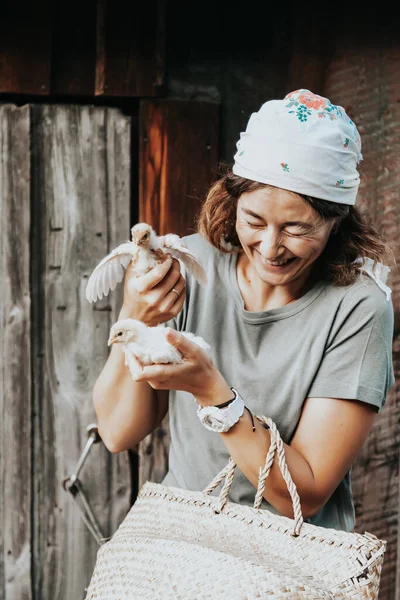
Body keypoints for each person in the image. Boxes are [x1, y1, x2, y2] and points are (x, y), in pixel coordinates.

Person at [93, 89, 395, 531]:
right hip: (180, 550)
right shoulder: (188, 269)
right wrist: (137, 317)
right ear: (231, 201)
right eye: (254, 221)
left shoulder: (357, 308)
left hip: (289, 572)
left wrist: (213, 393)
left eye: (296, 228)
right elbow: (118, 432)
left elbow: (303, 495)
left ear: (336, 220)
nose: (270, 248)